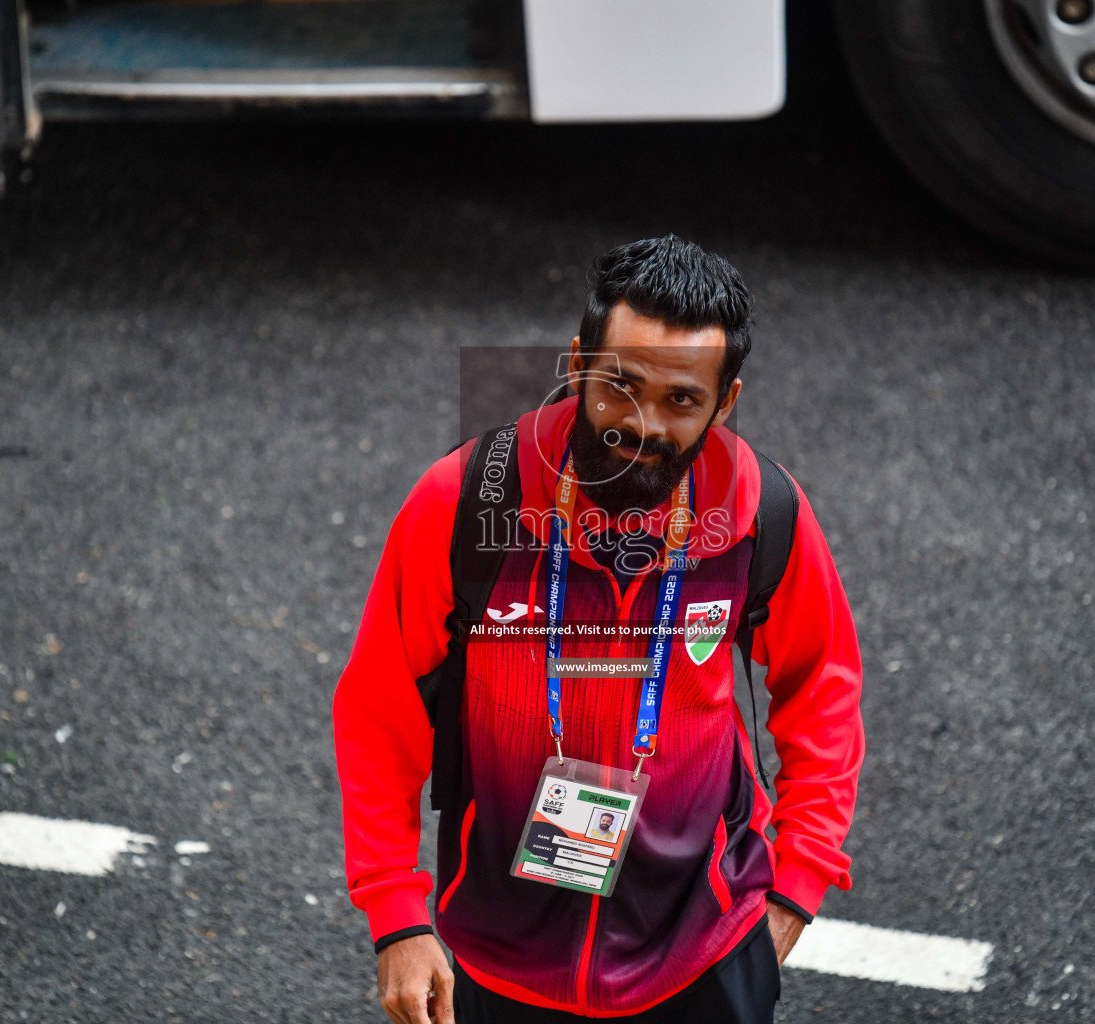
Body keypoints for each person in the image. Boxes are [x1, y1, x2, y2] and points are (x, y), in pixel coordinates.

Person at [333, 235, 865, 1024]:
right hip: (500, 960)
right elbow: (381, 713)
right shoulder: (466, 504)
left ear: (725, 402)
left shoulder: (762, 513)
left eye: (681, 400)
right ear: (580, 362)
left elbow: (821, 687)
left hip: (705, 954)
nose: (641, 424)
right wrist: (396, 919)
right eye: (619, 385)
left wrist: (796, 887)